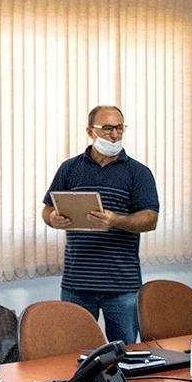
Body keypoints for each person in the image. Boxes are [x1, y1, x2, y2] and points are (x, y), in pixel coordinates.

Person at [41, 105, 159, 344]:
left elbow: (150, 218)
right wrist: (52, 219)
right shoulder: (70, 168)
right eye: (107, 129)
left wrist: (116, 220)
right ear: (89, 131)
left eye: (119, 128)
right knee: (73, 350)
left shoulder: (138, 172)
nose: (115, 135)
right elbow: (47, 209)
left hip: (122, 284)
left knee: (125, 352)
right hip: (77, 282)